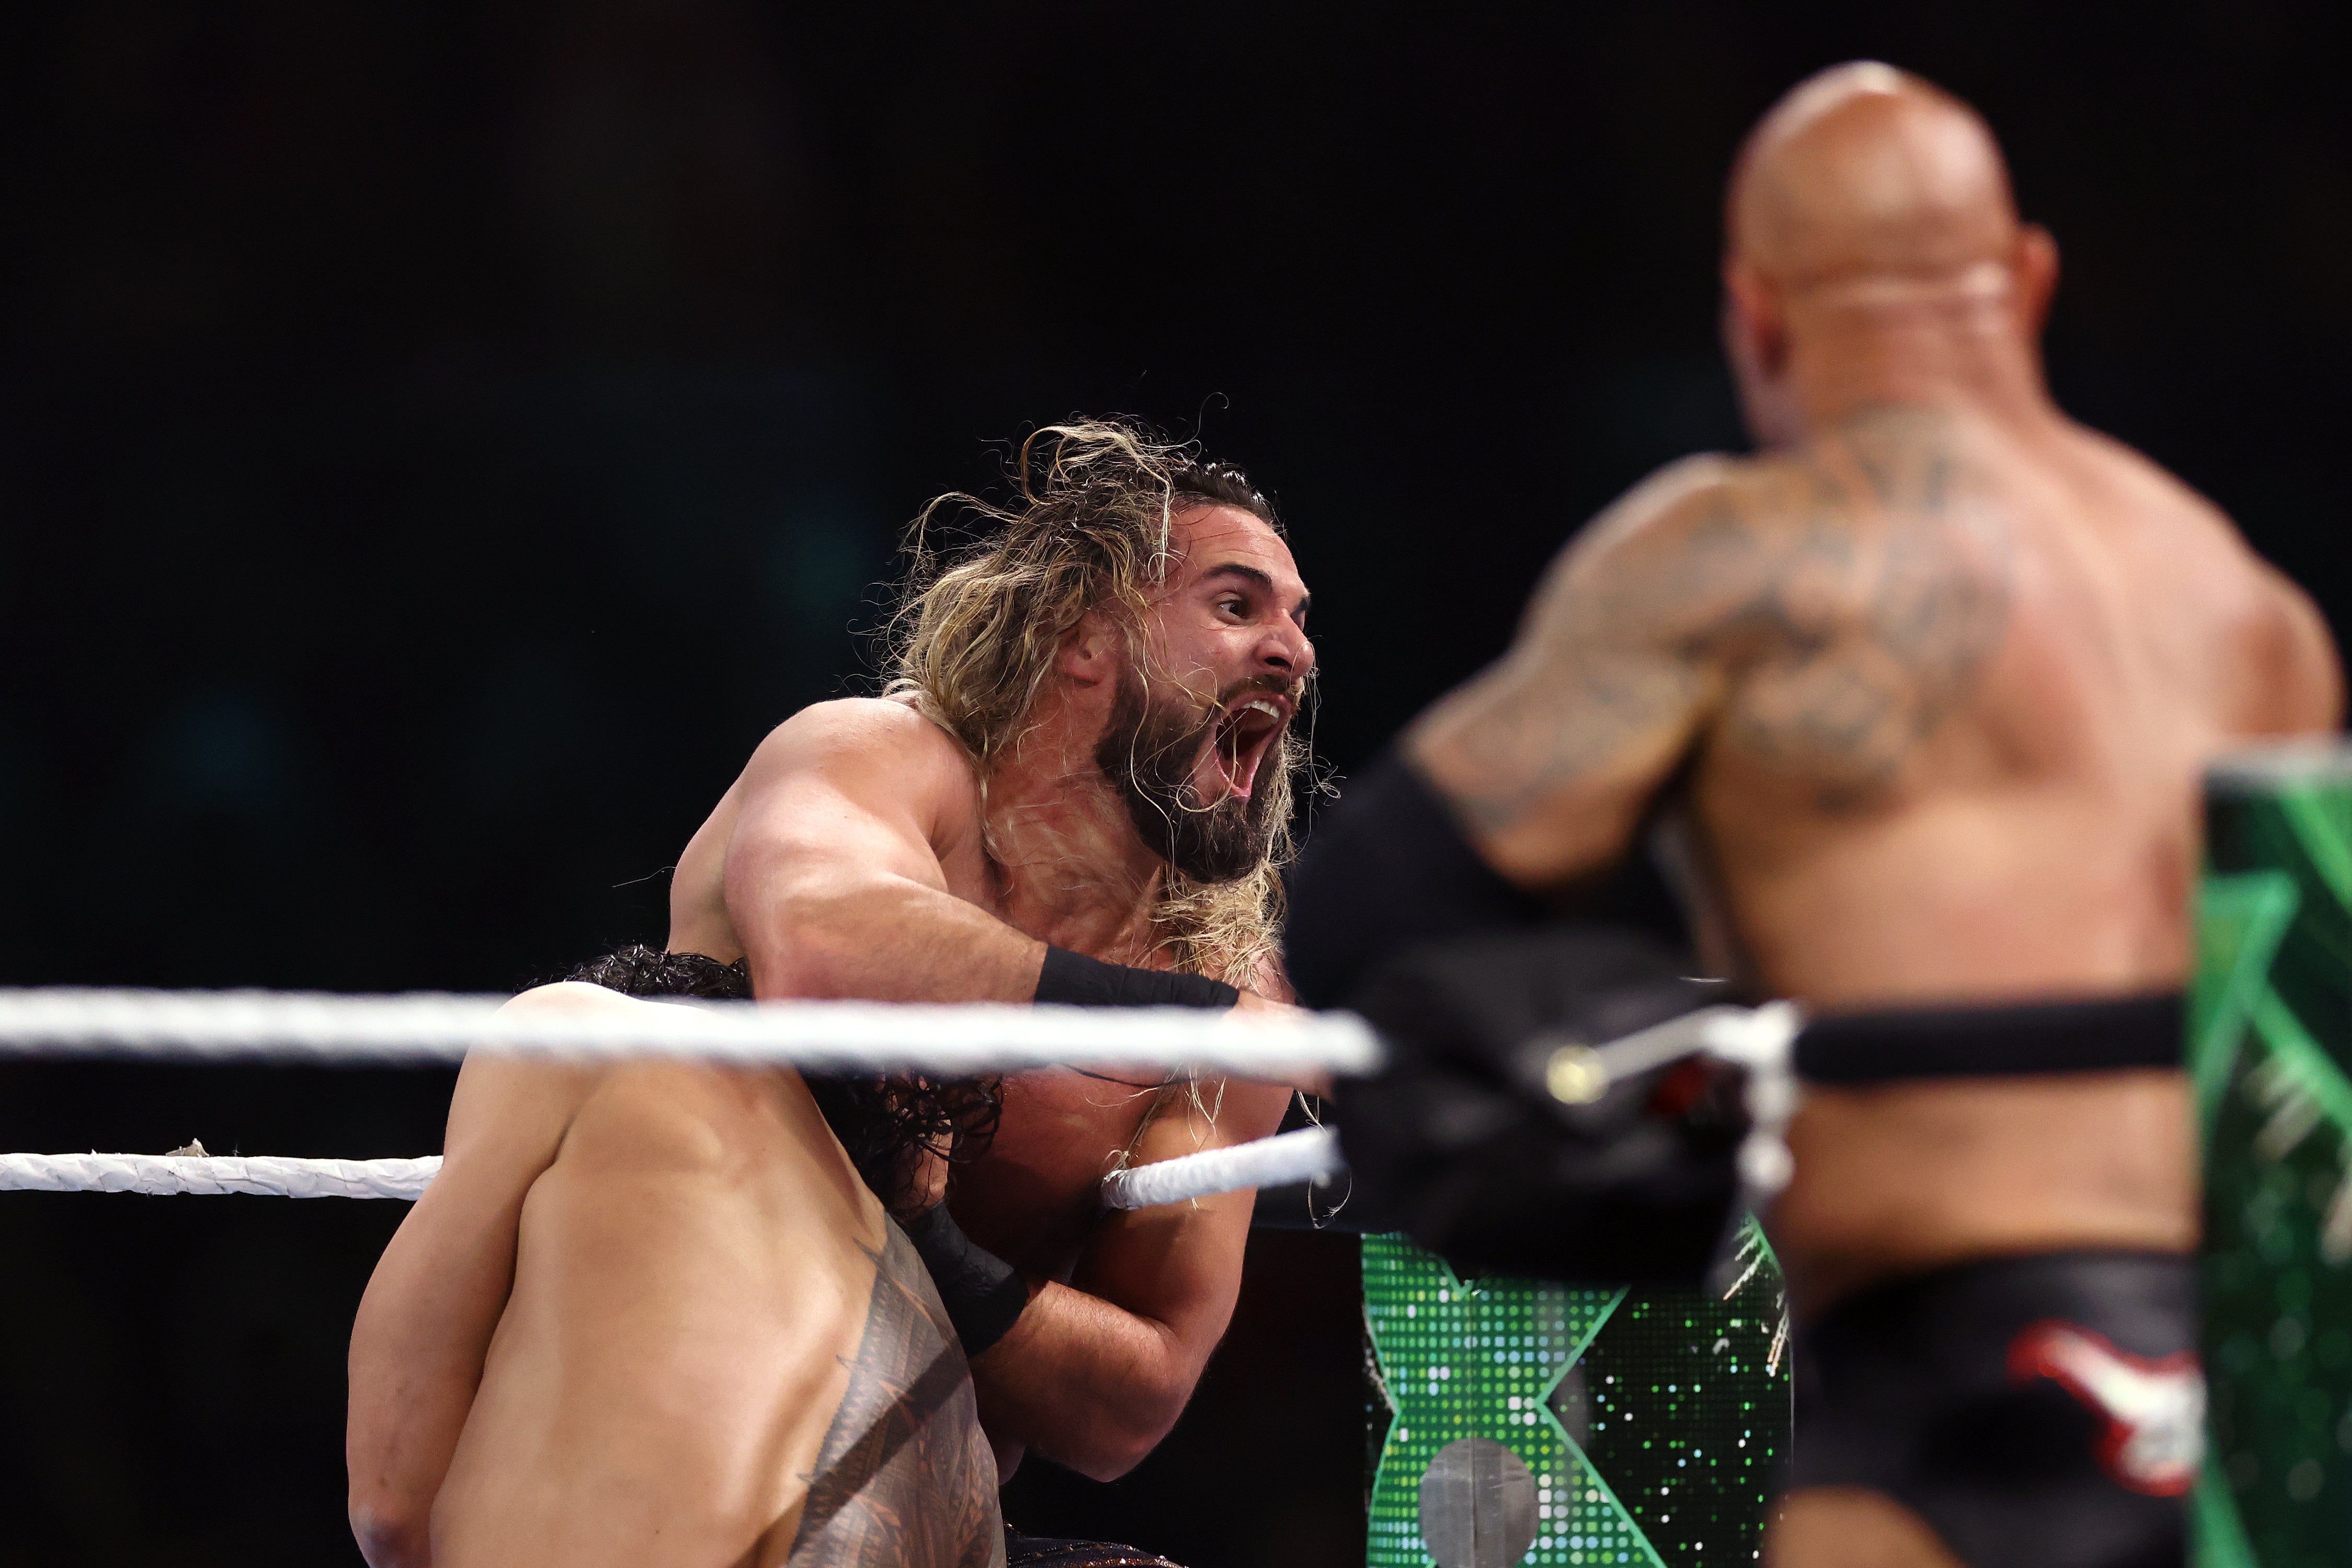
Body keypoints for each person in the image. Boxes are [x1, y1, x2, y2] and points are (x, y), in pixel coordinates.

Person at [1288, 64, 2342, 1568]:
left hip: (1950, 1368)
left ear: (1755, 314)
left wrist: (1645, 1104)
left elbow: (1363, 913)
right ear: (2028, 280)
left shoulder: (1735, 564)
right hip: (2252, 1399)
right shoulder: (2252, 611)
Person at [347, 421, 1316, 1567]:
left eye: (1303, 623)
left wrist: (929, 1236)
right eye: (1239, 605)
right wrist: (1194, 1026)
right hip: (635, 1383)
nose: (1295, 653)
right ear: (1084, 637)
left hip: (913, 1472)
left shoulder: (1228, 993)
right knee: (594, 1051)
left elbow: (1131, 1407)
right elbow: (822, 948)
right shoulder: (878, 764)